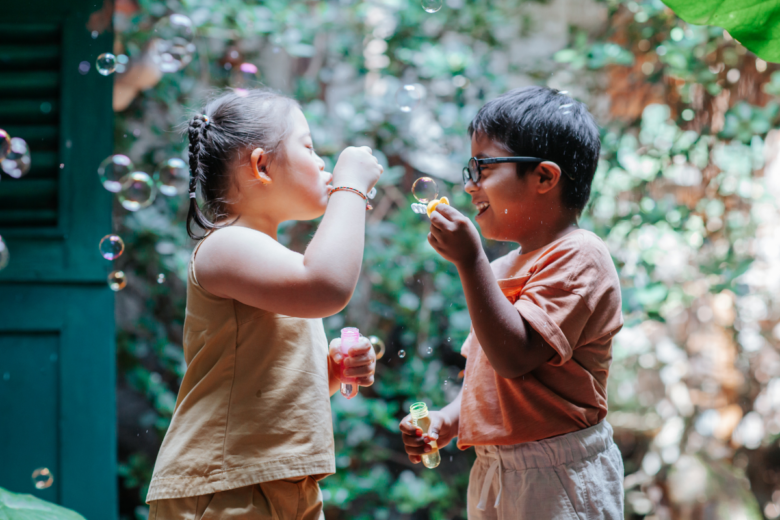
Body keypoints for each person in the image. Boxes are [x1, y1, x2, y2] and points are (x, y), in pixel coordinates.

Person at [146, 89, 382, 520]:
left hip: (276, 480)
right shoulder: (224, 246)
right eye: (309, 147)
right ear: (261, 165)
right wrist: (350, 185)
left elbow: (266, 380)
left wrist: (330, 371)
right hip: (225, 484)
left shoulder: (275, 265)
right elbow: (327, 286)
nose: (322, 162)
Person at [399, 86, 625, 519]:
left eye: (482, 167)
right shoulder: (500, 269)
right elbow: (490, 381)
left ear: (544, 177)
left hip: (559, 474)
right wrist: (448, 421)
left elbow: (516, 356)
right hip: (497, 472)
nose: (469, 185)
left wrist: (470, 261)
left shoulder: (581, 254)